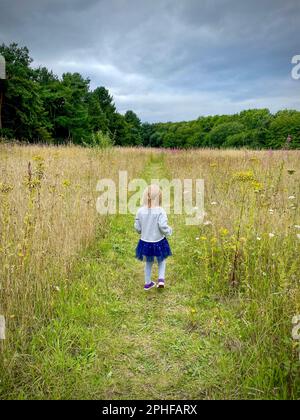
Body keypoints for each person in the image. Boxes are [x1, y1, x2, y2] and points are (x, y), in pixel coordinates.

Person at [134, 184, 173, 290]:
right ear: (159, 198)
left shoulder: (140, 211)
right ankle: (161, 279)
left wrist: (142, 231)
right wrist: (169, 231)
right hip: (158, 241)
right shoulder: (161, 211)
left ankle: (147, 283)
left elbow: (137, 227)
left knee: (148, 262)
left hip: (145, 241)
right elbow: (162, 226)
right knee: (162, 260)